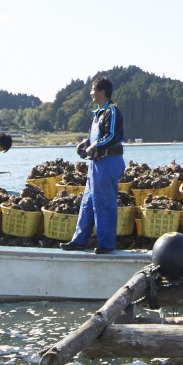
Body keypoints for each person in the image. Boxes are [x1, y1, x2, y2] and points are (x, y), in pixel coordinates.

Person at [63, 77, 124, 253]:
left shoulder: (112, 112)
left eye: (93, 89)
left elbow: (111, 136)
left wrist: (92, 147)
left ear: (102, 92)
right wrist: (84, 144)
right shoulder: (98, 113)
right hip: (96, 164)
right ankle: (79, 240)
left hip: (108, 162)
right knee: (87, 202)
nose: (91, 93)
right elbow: (94, 136)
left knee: (105, 203)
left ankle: (106, 244)